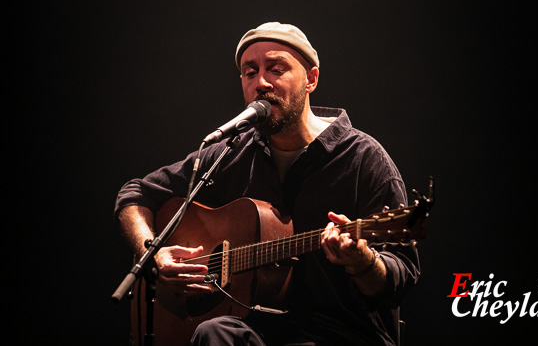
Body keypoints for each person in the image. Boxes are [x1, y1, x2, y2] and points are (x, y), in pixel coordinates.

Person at [114, 22, 421, 345]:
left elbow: (400, 275)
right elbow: (135, 194)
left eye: (275, 69)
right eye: (250, 72)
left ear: (311, 80)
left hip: (342, 333)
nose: (261, 82)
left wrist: (363, 262)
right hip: (259, 330)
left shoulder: (363, 159)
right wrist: (154, 252)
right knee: (214, 331)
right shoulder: (229, 154)